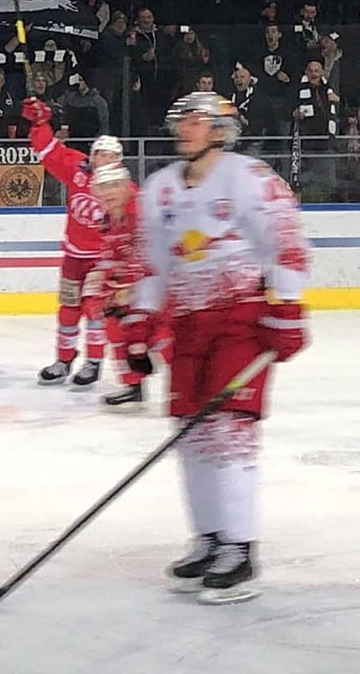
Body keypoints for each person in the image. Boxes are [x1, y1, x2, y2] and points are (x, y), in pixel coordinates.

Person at [130, 92, 310, 604]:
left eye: (195, 120)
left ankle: (240, 547)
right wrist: (142, 322)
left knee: (229, 431)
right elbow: (152, 264)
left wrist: (288, 308)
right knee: (190, 434)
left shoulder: (250, 179)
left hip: (240, 322)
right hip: (187, 326)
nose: (183, 128)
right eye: (180, 119)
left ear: (219, 129)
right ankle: (208, 537)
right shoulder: (159, 189)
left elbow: (288, 244)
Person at [21, 96, 123, 387]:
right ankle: (64, 360)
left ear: (117, 161)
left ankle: (93, 362)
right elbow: (49, 151)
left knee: (94, 310)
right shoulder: (78, 171)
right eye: (99, 153)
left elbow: (135, 219)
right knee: (68, 310)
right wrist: (41, 123)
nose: (102, 159)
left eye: (109, 155)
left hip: (102, 260)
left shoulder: (123, 187)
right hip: (73, 256)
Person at [83, 162, 167, 409]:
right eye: (101, 188)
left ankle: (196, 385)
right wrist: (101, 287)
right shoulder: (109, 217)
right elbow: (110, 254)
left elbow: (148, 255)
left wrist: (125, 289)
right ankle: (133, 385)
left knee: (162, 335)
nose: (106, 193)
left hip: (159, 281)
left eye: (111, 186)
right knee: (114, 325)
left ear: (124, 186)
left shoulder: (140, 212)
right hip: (135, 283)